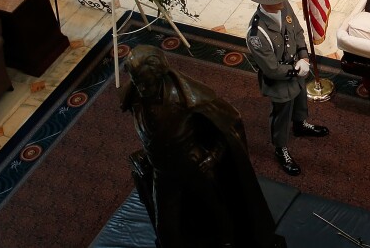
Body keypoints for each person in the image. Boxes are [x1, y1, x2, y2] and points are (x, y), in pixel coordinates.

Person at [121, 45, 283, 248]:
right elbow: (152, 132)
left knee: (219, 211)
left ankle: (229, 242)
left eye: (146, 83)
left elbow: (230, 123)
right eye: (138, 83)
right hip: (162, 173)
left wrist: (213, 157)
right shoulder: (135, 97)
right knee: (165, 225)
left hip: (194, 166)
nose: (142, 89)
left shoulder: (188, 97)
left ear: (159, 75)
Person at [244, 0, 329, 176]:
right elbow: (271, 69)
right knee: (281, 114)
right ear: (264, 3)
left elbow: (297, 32)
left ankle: (300, 124)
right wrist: (296, 69)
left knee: (300, 99)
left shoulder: (283, 5)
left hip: (297, 68)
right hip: (279, 80)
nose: (281, 3)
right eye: (275, 1)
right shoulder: (256, 34)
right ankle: (280, 148)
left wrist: (304, 57)